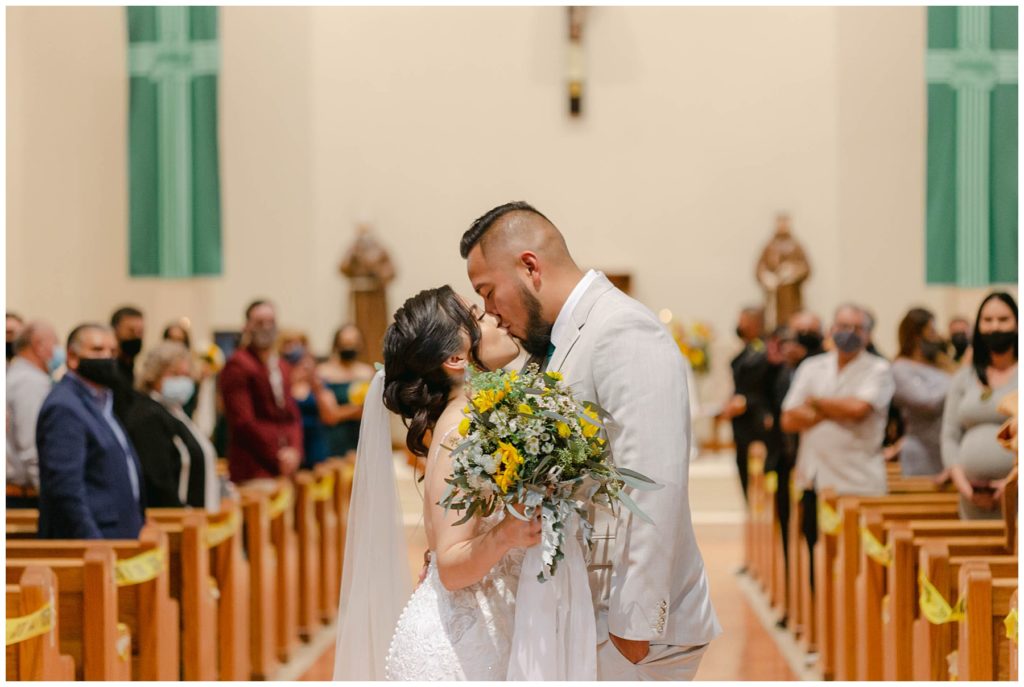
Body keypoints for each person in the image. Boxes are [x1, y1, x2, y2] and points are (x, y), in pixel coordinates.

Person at [462, 201, 720, 680]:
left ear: (530, 267)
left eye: (489, 291)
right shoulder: (559, 340)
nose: (491, 313)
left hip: (632, 631)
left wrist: (634, 627)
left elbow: (655, 479)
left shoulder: (621, 328)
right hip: (587, 610)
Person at [334, 286, 536, 680]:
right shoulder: (460, 430)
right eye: (479, 316)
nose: (496, 316)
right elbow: (451, 565)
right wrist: (509, 533)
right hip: (460, 648)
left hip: (485, 628)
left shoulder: (479, 415)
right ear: (456, 357)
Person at [36, 323, 145, 539]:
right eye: (97, 350)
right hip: (96, 540)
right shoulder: (64, 407)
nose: (107, 357)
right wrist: (93, 542)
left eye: (112, 351)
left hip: (120, 533)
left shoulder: (102, 401)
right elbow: (65, 490)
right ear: (73, 357)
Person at [782, 304, 895, 498]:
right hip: (814, 477)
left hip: (859, 481)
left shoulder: (879, 369)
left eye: (857, 328)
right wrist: (836, 409)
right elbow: (788, 420)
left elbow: (858, 410)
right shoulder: (811, 366)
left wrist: (815, 403)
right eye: (843, 326)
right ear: (831, 330)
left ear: (868, 334)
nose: (849, 333)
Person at [940, 292, 1018, 519]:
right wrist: (961, 482)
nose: (995, 327)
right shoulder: (964, 377)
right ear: (978, 326)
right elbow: (950, 435)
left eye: (1003, 320)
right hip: (971, 497)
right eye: (988, 320)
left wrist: (1013, 483)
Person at [123, 341, 220, 511]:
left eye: (186, 375)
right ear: (154, 374)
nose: (182, 381)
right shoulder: (148, 415)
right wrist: (182, 511)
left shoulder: (175, 411)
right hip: (175, 520)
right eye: (174, 374)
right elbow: (157, 478)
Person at [219, 300, 303, 486]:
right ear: (247, 326)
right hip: (254, 468)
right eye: (259, 323)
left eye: (270, 322)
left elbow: (292, 415)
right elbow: (243, 422)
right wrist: (278, 454)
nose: (266, 328)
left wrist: (294, 450)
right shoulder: (238, 365)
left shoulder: (281, 365)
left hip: (284, 466)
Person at [891, 308, 953, 477]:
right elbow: (927, 402)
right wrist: (957, 382)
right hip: (921, 452)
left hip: (945, 448)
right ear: (916, 336)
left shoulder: (940, 364)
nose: (936, 337)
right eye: (931, 332)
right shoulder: (900, 368)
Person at [721, 306, 773, 502]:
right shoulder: (749, 349)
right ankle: (750, 507)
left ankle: (759, 509)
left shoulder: (764, 350)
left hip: (757, 419)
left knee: (758, 470)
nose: (739, 326)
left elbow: (763, 386)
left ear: (755, 324)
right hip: (742, 421)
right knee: (742, 465)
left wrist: (744, 401)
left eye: (743, 321)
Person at [6, 320, 60, 508]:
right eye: (55, 343)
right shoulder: (30, 383)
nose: (58, 351)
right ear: (38, 346)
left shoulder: (18, 375)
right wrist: (51, 496)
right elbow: (31, 444)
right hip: (24, 493)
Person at [317, 324, 375, 458]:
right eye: (345, 343)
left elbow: (373, 412)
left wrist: (342, 411)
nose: (350, 348)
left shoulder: (367, 372)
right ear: (337, 344)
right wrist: (357, 410)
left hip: (362, 437)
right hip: (333, 438)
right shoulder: (323, 372)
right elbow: (329, 415)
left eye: (354, 343)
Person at [279, 331, 330, 469]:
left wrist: (315, 384)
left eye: (298, 344)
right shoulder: (279, 378)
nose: (294, 349)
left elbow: (329, 415)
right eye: (289, 344)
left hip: (314, 443)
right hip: (289, 444)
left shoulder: (316, 381)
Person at [111, 305, 145, 386]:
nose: (136, 336)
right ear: (115, 330)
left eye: (140, 332)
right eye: (131, 331)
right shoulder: (109, 368)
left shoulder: (130, 365)